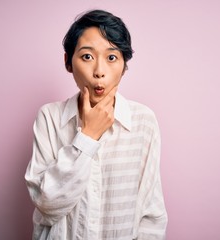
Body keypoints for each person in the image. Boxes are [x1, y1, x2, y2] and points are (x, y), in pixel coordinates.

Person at [25, 9, 168, 240]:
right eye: (87, 57)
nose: (99, 72)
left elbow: (152, 215)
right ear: (68, 62)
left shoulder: (143, 121)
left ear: (124, 65)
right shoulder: (50, 118)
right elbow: (47, 204)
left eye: (111, 57)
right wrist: (88, 137)